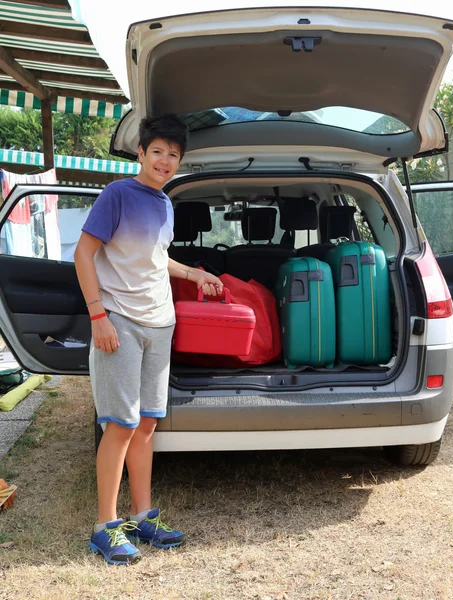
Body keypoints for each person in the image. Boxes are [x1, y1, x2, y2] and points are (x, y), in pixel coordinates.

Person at [74, 114, 223, 565]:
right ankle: (105, 527)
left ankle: (143, 517)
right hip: (119, 321)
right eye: (157, 151)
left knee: (146, 424)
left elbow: (158, 259)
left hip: (161, 323)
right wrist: (98, 316)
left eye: (173, 155)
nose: (164, 160)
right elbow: (83, 253)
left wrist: (194, 273)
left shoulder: (165, 204)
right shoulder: (117, 195)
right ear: (140, 153)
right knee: (118, 424)